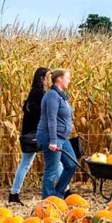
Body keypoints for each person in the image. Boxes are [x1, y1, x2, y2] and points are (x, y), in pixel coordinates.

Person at [36, 68, 78, 199]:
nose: (69, 81)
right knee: (51, 170)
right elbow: (51, 119)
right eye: (67, 78)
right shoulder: (52, 95)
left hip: (62, 137)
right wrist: (53, 141)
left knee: (72, 164)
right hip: (51, 136)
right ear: (59, 79)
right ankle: (48, 201)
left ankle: (58, 195)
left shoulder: (61, 95)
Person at [10, 66, 49, 204]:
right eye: (48, 77)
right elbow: (40, 114)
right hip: (35, 134)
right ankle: (14, 193)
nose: (50, 80)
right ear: (42, 78)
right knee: (52, 161)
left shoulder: (35, 92)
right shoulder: (40, 93)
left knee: (27, 163)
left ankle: (14, 193)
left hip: (31, 133)